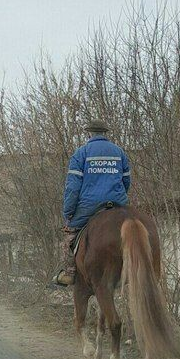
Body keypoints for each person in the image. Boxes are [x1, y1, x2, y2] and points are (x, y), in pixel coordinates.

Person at [52, 117, 132, 286]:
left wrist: (68, 212)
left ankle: (69, 273)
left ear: (89, 133)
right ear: (105, 133)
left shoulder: (81, 153)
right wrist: (119, 198)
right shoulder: (119, 152)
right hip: (118, 204)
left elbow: (73, 187)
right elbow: (126, 181)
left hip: (89, 205)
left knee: (70, 236)